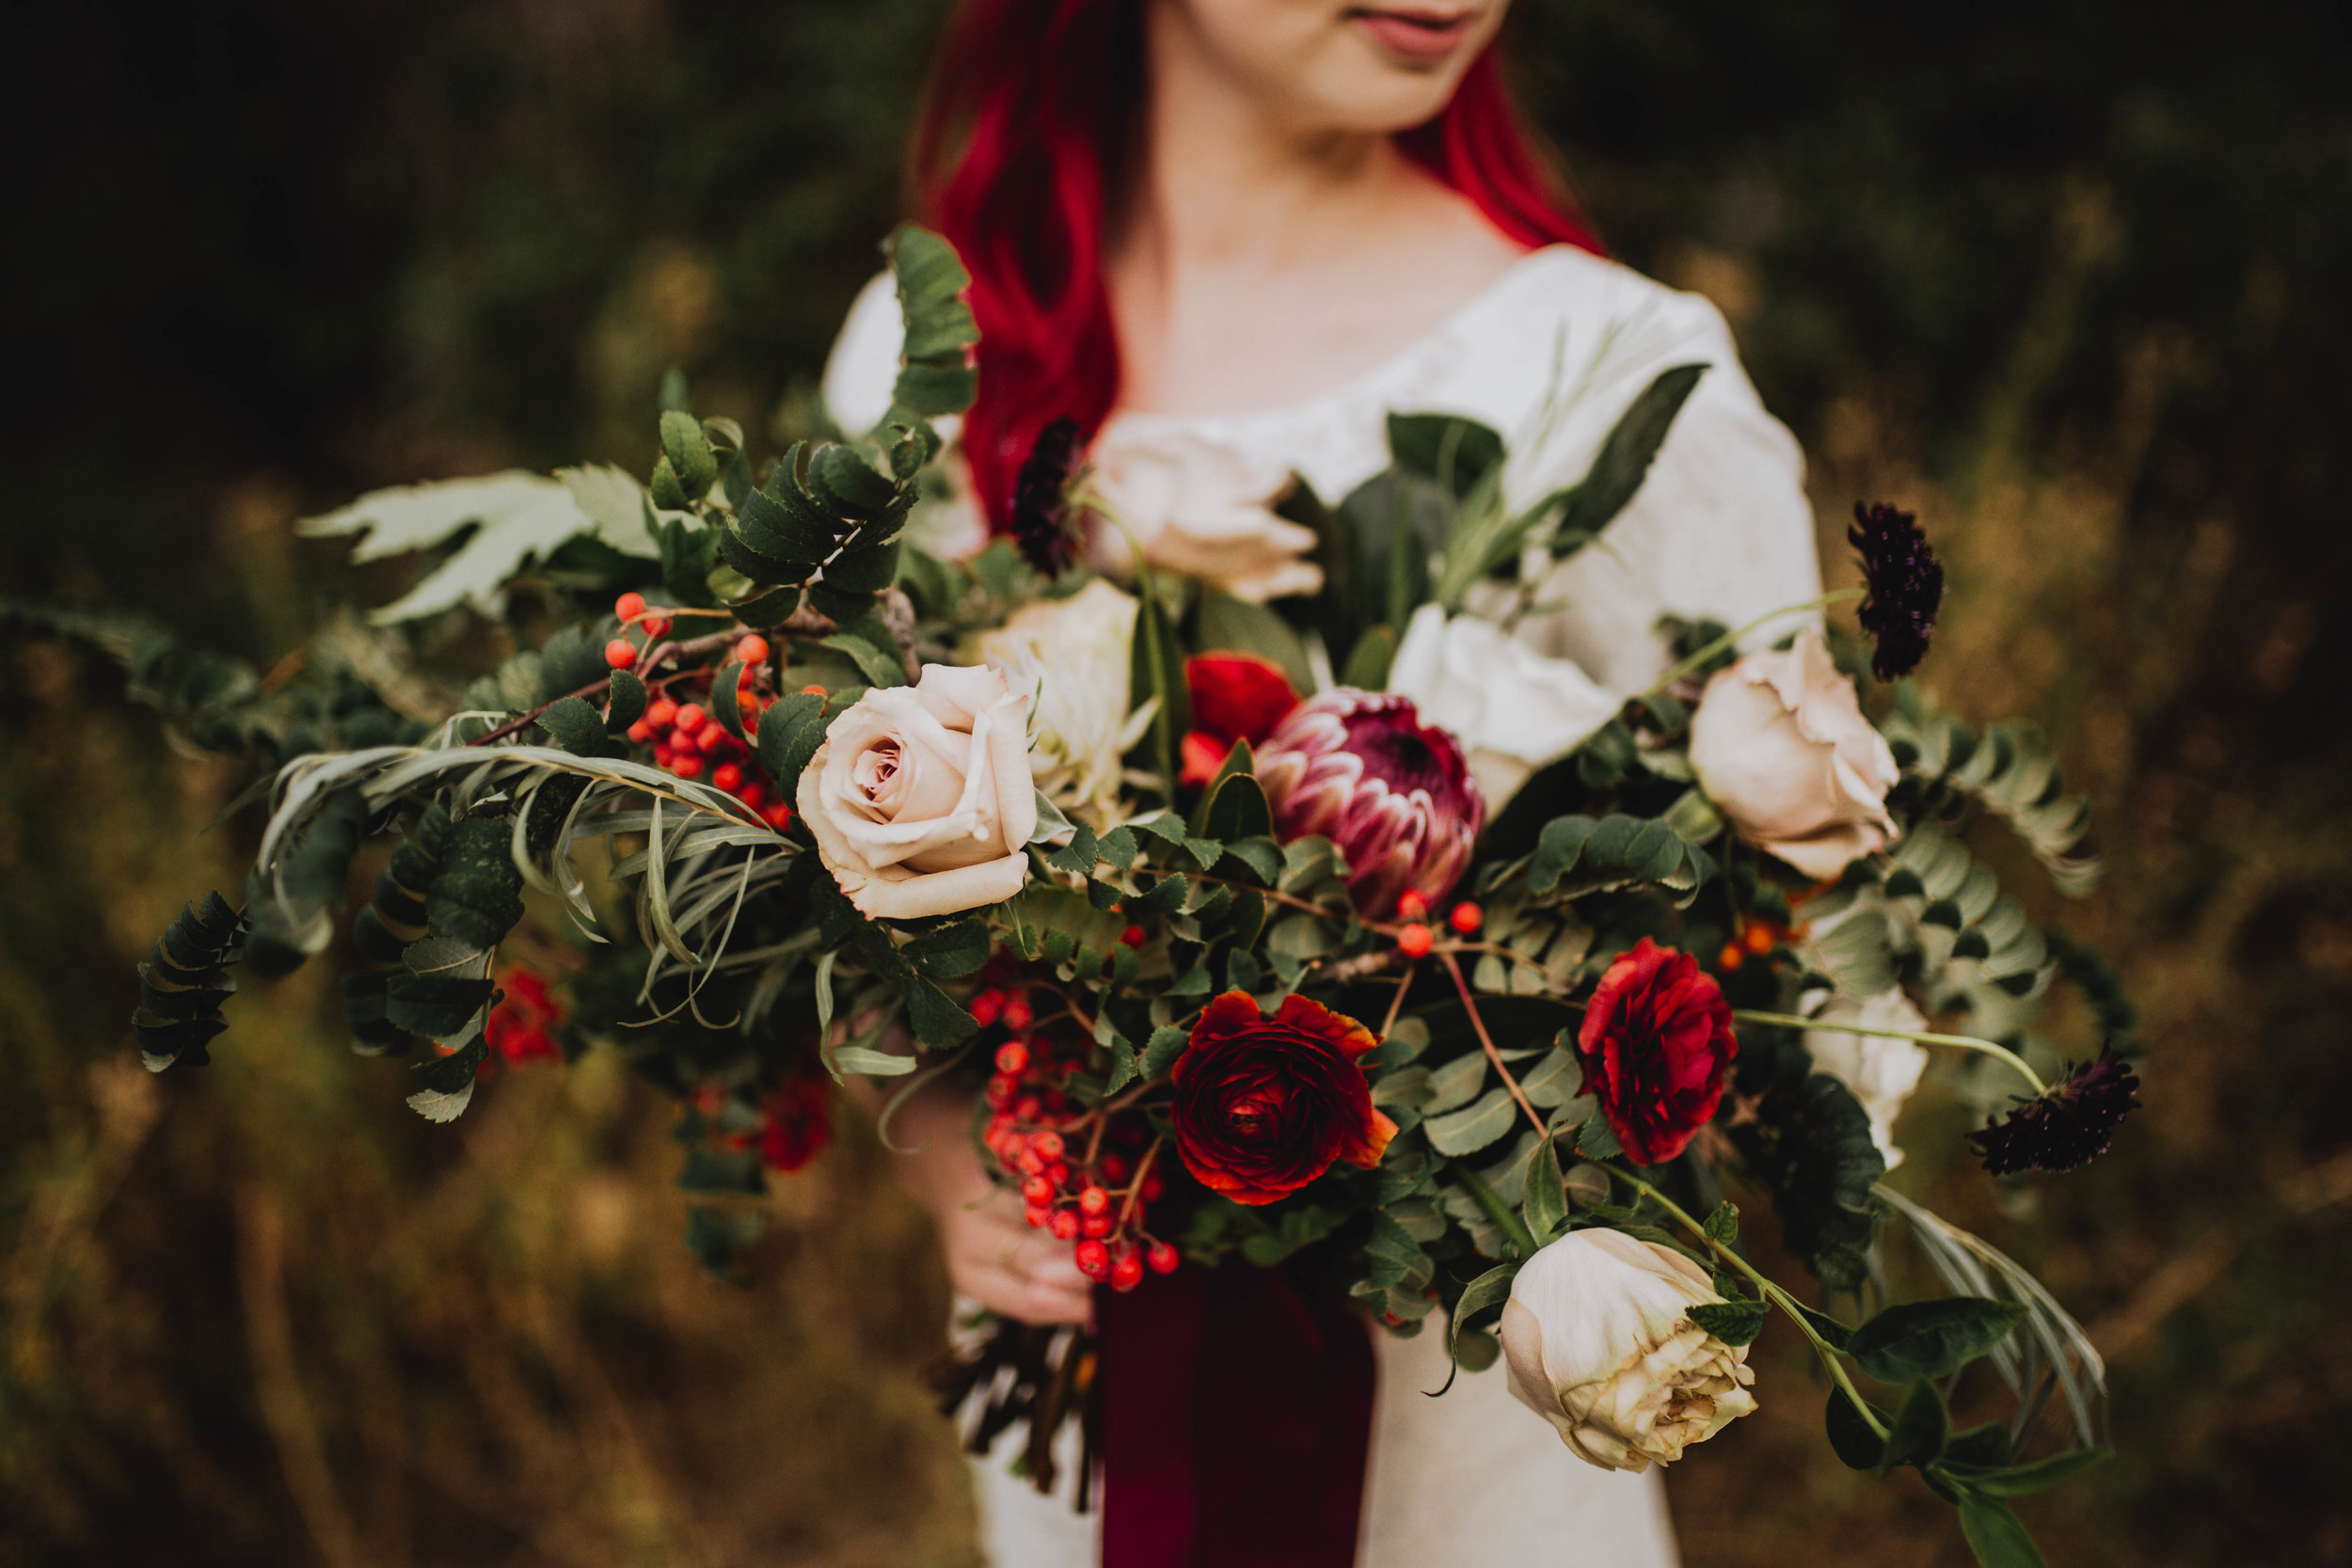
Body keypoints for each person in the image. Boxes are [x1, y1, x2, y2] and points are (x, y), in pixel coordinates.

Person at [820, 2, 1821, 1563]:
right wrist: (956, 1149)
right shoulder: (923, 343)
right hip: (1082, 1416)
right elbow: (818, 863)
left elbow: (1790, 949)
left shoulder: (1608, 373)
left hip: (1471, 1431)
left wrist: (1483, 1094)